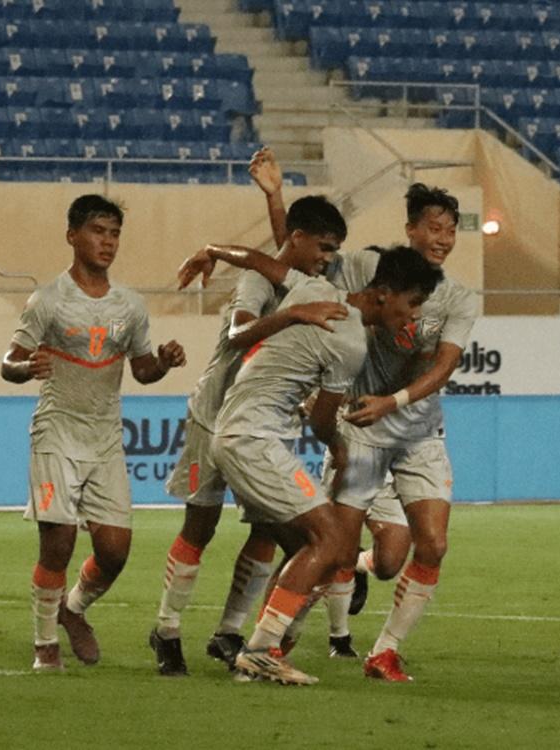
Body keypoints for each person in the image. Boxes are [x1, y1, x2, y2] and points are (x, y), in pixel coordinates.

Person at [220, 147, 480, 681]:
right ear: (410, 229)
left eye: (451, 230)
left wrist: (397, 402)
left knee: (423, 547)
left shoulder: (459, 299)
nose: (443, 238)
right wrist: (276, 199)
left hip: (415, 430)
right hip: (358, 428)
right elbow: (300, 262)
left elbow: (445, 366)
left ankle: (383, 651)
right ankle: (274, 644)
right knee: (330, 546)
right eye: (434, 227)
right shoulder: (366, 267)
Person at [209, 247, 443, 685]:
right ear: (383, 294)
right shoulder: (350, 341)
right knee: (332, 539)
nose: (412, 318)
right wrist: (339, 446)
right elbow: (321, 421)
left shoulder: (319, 288)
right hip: (254, 439)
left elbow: (262, 260)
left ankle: (261, 649)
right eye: (410, 304)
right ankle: (259, 650)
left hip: (235, 433)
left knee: (311, 544)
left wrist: (211, 251)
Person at [148, 196, 349, 676]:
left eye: (334, 251)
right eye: (323, 247)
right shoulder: (259, 281)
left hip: (264, 425)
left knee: (264, 530)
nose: (328, 258)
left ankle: (230, 632)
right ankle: (167, 628)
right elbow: (240, 333)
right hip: (215, 415)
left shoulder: (307, 284)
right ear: (297, 239)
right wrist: (294, 317)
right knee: (200, 527)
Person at [2, 194, 186, 673]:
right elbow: (8, 363)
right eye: (98, 231)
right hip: (57, 430)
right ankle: (45, 645)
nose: (107, 242)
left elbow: (142, 370)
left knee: (115, 552)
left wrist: (162, 363)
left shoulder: (131, 304)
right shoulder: (48, 300)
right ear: (72, 235)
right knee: (58, 543)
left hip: (105, 438)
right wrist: (27, 367)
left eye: (114, 233)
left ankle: (73, 608)